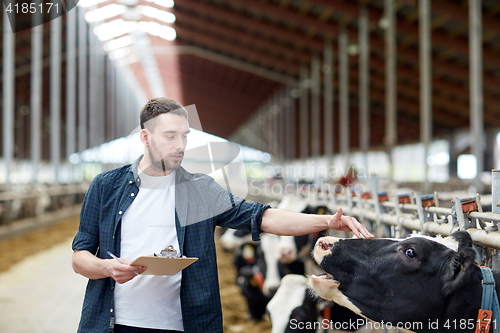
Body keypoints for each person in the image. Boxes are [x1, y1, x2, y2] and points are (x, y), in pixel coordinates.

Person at [72, 97, 373, 333]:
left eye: (185, 137)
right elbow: (80, 256)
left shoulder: (200, 189)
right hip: (114, 323)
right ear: (146, 137)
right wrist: (107, 268)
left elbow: (261, 217)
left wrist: (327, 222)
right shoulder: (106, 186)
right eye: (170, 136)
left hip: (184, 323)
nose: (180, 146)